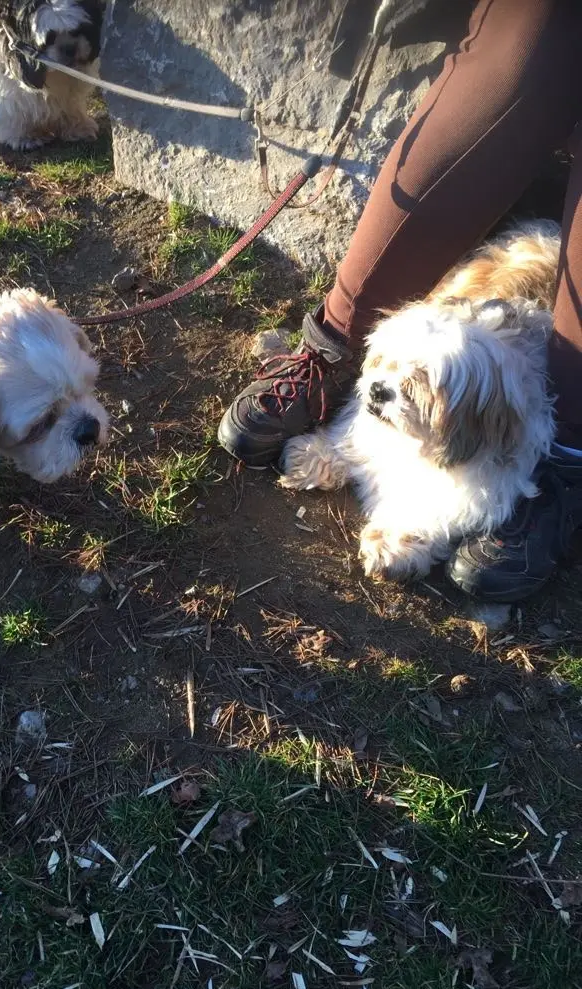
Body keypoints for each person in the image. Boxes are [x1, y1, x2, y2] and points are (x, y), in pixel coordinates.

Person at [217, 0, 582, 604]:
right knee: (529, 45)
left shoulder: (488, 423)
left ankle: (566, 456)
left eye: (414, 387)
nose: (385, 388)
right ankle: (333, 345)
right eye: (384, 369)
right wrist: (348, 437)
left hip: (500, 420)